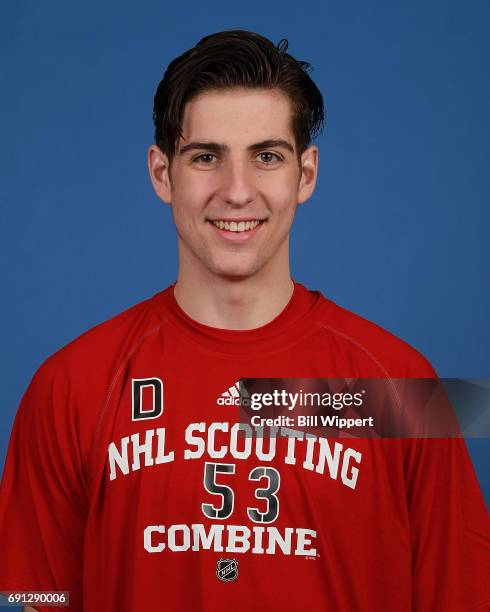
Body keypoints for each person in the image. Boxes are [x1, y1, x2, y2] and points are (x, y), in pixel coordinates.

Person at [0, 29, 488, 612]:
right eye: (206, 157)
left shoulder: (404, 387)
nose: (236, 192)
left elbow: (458, 595)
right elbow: (38, 598)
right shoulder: (72, 386)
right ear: (162, 174)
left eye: (266, 157)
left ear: (305, 175)